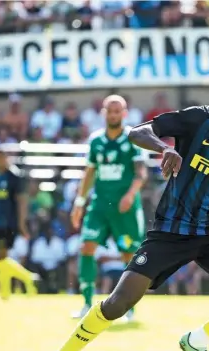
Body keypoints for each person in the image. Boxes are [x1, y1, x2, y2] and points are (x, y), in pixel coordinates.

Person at [34, 78, 209, 351]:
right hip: (172, 230)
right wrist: (166, 149)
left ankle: (197, 342)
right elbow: (138, 132)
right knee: (117, 303)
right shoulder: (202, 119)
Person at [70, 95, 148, 320]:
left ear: (124, 114)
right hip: (100, 205)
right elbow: (90, 172)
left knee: (128, 255)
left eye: (118, 111)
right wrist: (79, 202)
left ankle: (129, 308)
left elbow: (141, 173)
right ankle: (86, 303)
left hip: (124, 208)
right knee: (86, 246)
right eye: (109, 111)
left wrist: (130, 195)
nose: (113, 115)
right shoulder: (95, 141)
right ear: (103, 113)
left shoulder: (133, 138)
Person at [0, 149, 38, 299]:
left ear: (6, 159)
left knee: (2, 257)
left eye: (1, 157)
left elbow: (22, 201)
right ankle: (7, 289)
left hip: (9, 222)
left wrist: (21, 224)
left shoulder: (14, 177)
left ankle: (16, 283)